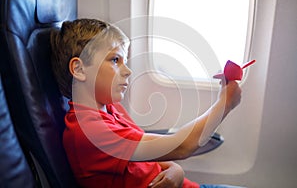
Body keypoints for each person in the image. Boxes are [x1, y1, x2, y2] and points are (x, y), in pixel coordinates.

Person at [50, 18, 244, 188]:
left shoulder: (110, 108)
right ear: (79, 69)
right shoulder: (89, 132)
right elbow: (180, 147)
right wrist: (225, 103)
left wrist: (175, 169)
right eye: (115, 60)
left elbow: (145, 156)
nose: (127, 71)